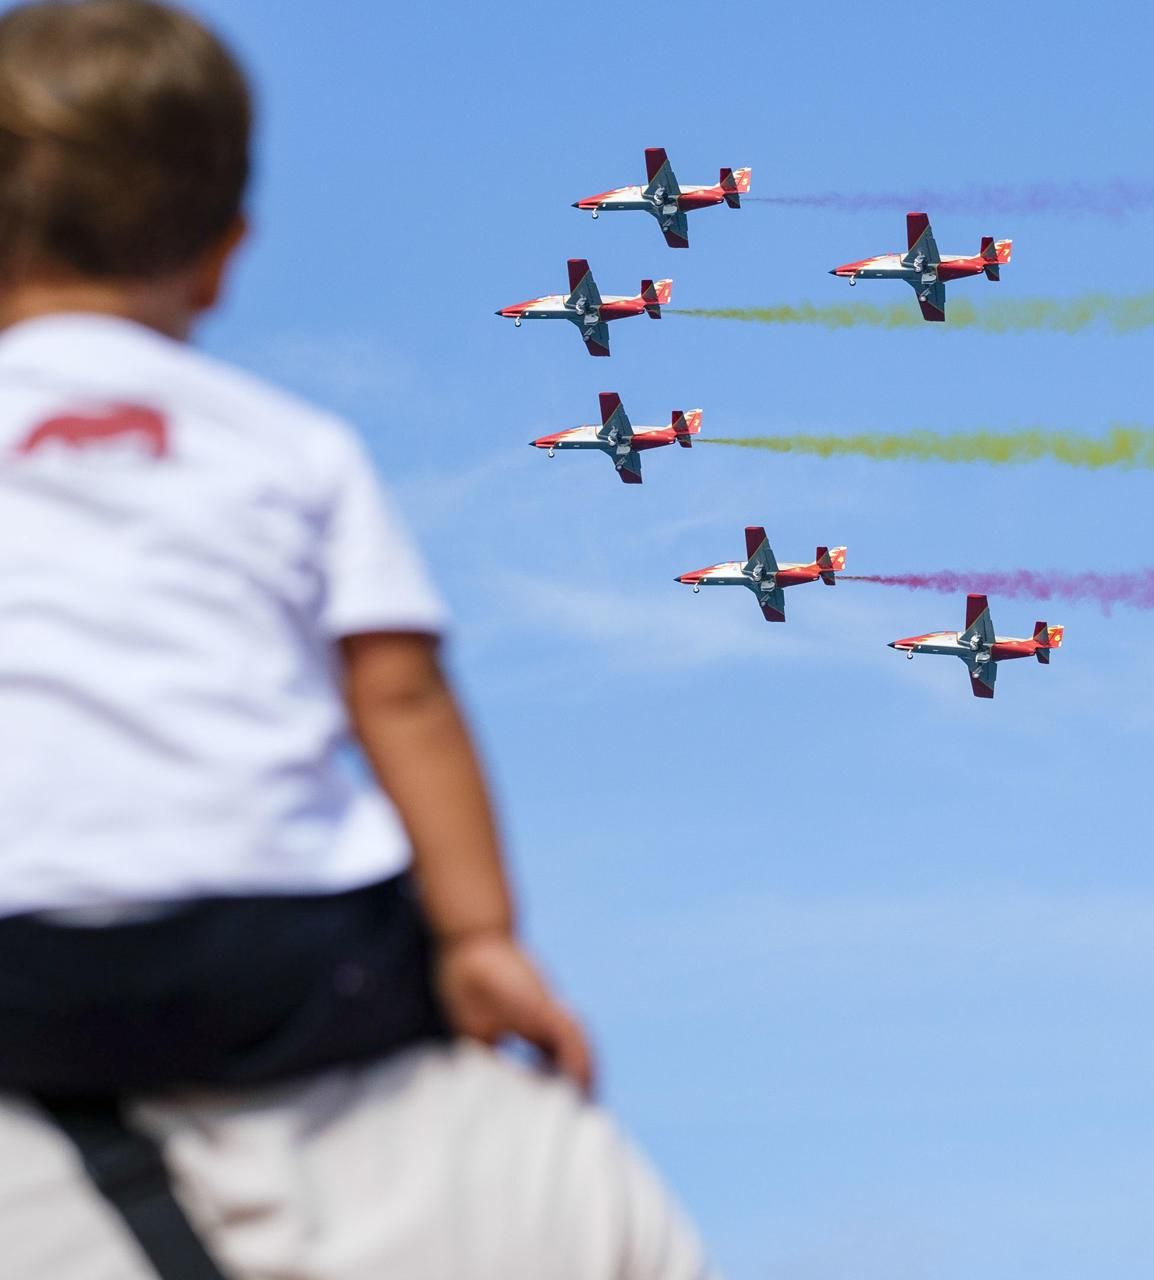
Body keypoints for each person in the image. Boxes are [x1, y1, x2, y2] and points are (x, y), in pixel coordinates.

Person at [0, 2, 712, 1276]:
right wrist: (482, 938)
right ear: (223, 254)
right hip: (287, 961)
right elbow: (402, 691)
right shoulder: (295, 444)